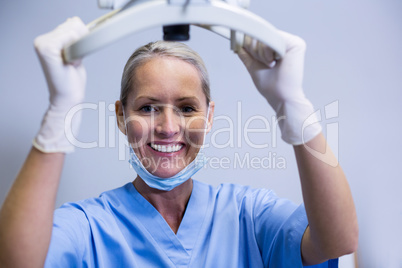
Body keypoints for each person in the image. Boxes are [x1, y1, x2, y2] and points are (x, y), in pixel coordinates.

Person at [0, 17, 358, 267]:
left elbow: (338, 240)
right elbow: (14, 261)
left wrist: (294, 104)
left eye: (187, 108)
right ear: (121, 117)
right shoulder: (89, 228)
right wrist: (60, 112)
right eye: (148, 108)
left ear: (210, 116)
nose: (168, 127)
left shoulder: (248, 215)